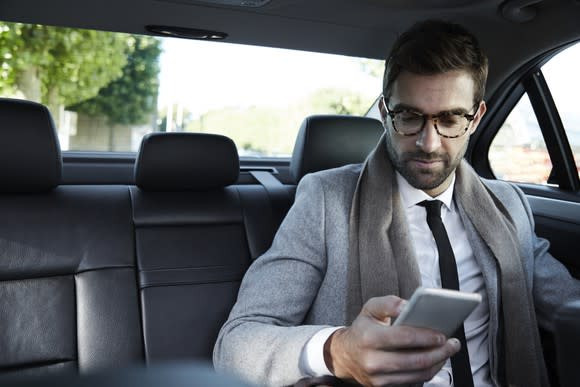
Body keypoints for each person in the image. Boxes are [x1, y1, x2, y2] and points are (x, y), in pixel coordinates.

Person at [213, 20, 580, 387]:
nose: (429, 143)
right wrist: (337, 351)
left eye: (450, 119)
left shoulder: (508, 205)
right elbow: (236, 344)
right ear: (386, 113)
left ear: (476, 118)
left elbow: (567, 304)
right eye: (409, 117)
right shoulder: (326, 201)